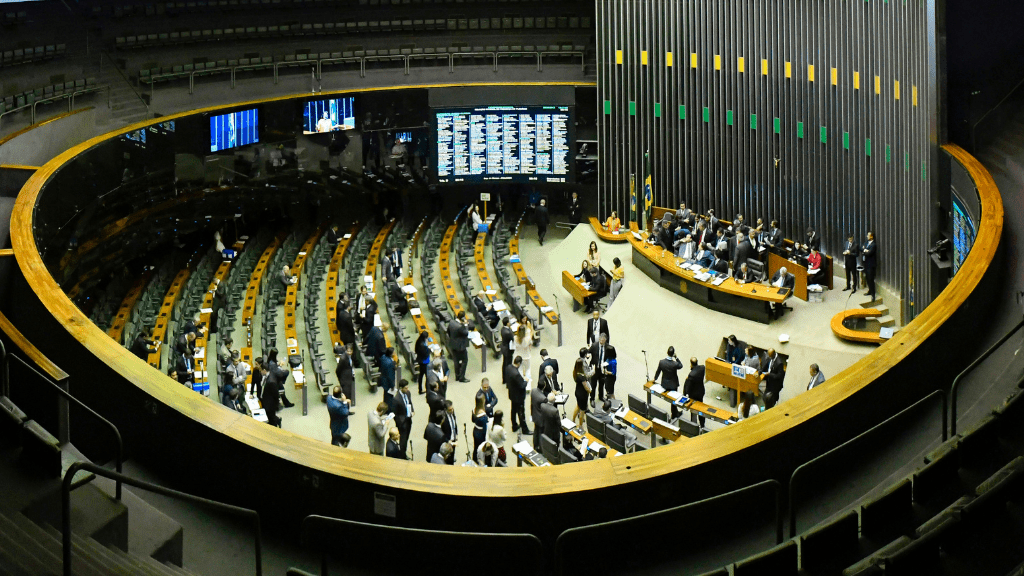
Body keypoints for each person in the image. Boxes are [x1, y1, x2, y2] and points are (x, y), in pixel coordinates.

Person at [655, 347, 684, 418]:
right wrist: (676, 357)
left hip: (664, 384)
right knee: (674, 399)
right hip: (673, 385)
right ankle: (674, 414)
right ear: (673, 354)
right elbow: (681, 365)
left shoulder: (661, 362)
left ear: (667, 352)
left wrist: (655, 379)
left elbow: (658, 371)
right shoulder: (675, 364)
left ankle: (675, 412)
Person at [505, 356, 531, 434]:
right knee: (521, 413)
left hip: (512, 394)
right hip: (518, 396)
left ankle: (514, 425)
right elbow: (522, 385)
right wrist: (526, 380)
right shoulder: (516, 374)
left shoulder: (508, 367)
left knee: (513, 411)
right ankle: (525, 429)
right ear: (519, 363)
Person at [589, 333, 616, 402]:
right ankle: (592, 399)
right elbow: (589, 352)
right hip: (595, 368)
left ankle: (601, 396)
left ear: (605, 340)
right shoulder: (594, 345)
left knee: (601, 384)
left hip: (603, 369)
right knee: (593, 384)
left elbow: (612, 356)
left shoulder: (608, 347)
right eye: (600, 339)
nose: (601, 341)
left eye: (603, 340)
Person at [571, 348, 595, 427]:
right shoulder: (582, 377)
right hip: (582, 395)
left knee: (578, 406)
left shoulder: (576, 373)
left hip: (577, 392)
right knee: (582, 411)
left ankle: (573, 420)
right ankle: (580, 426)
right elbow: (586, 387)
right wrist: (590, 391)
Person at [391, 379, 414, 457]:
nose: (407, 389)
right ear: (401, 388)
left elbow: (410, 402)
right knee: (403, 440)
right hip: (402, 423)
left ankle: (403, 451)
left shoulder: (408, 393)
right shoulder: (396, 399)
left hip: (409, 419)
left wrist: (412, 411)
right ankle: (402, 455)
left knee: (406, 438)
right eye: (405, 388)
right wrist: (400, 424)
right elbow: (394, 414)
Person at [447, 311, 470, 383]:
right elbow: (466, 333)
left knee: (456, 361)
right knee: (465, 360)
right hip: (460, 347)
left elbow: (448, 331)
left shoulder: (451, 322)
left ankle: (457, 376)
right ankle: (462, 377)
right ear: (463, 318)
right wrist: (465, 325)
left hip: (453, 344)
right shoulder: (460, 327)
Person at [683, 357, 707, 428]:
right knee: (700, 408)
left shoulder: (691, 375)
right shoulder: (702, 368)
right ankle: (702, 424)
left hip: (693, 394)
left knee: (693, 409)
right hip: (701, 392)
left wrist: (685, 393)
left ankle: (694, 426)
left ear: (691, 364)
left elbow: (688, 387)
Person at [530, 383, 548, 448]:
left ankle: (535, 445)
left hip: (534, 415)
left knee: (536, 431)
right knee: (541, 433)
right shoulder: (543, 398)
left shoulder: (533, 391)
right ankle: (541, 447)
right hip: (541, 418)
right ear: (543, 387)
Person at [862, 231, 877, 299]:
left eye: (868, 235)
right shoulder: (866, 243)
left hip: (871, 265)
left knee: (871, 279)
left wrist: (865, 251)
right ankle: (870, 291)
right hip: (865, 264)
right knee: (867, 279)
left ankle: (873, 295)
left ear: (871, 236)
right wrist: (865, 250)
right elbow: (862, 249)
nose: (867, 236)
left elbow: (869, 253)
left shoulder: (873, 245)